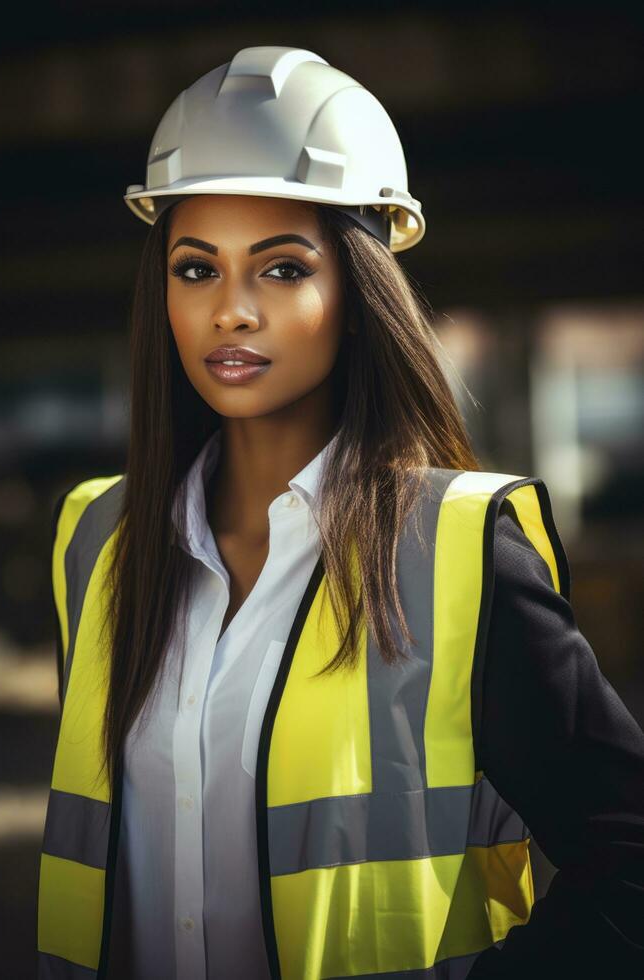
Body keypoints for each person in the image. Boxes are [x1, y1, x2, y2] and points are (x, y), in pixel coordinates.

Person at [36, 47, 644, 979]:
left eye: (281, 270)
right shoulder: (97, 541)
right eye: (196, 270)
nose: (231, 311)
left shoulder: (459, 553)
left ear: (358, 295)